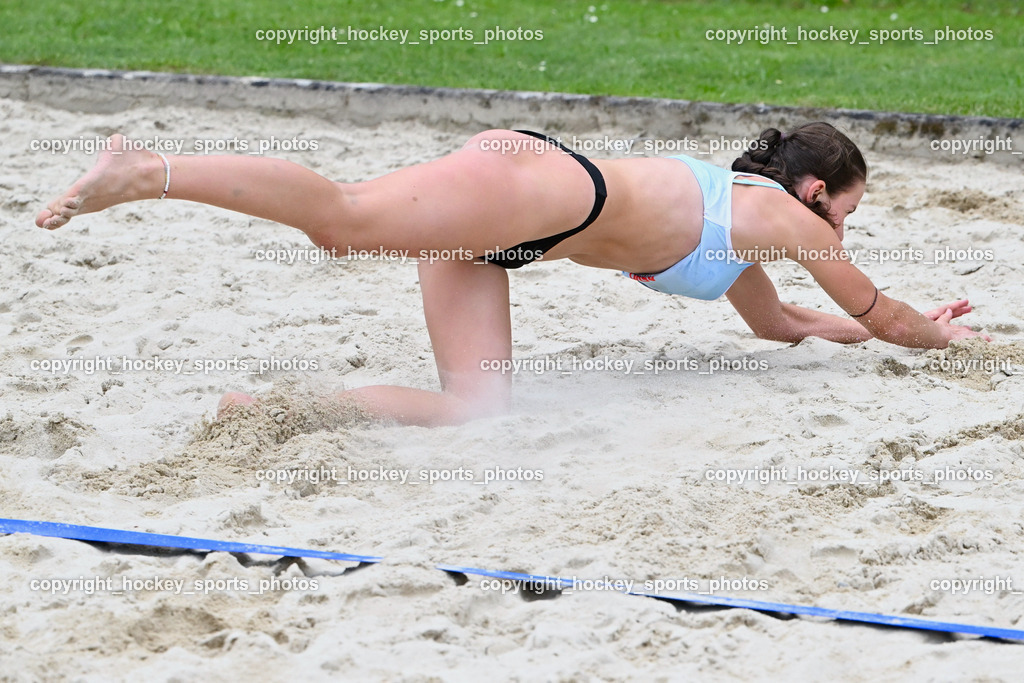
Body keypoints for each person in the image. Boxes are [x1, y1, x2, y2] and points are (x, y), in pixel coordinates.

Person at [36, 123, 988, 426]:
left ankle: (272, 407)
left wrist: (889, 331)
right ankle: (147, 172)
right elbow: (878, 306)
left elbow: (784, 327)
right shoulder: (778, 211)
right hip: (542, 185)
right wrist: (934, 332)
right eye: (849, 213)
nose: (843, 230)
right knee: (348, 222)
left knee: (473, 409)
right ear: (817, 191)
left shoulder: (751, 239)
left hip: (517, 232)